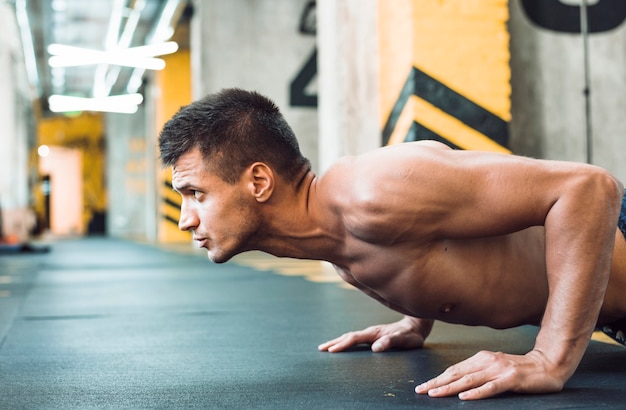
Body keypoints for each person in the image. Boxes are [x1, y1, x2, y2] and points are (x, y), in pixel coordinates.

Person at [158, 88, 626, 401]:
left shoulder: (372, 190)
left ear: (259, 180)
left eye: (196, 193)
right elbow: (423, 242)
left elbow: (588, 188)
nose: (185, 219)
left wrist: (550, 358)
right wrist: (414, 316)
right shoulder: (330, 239)